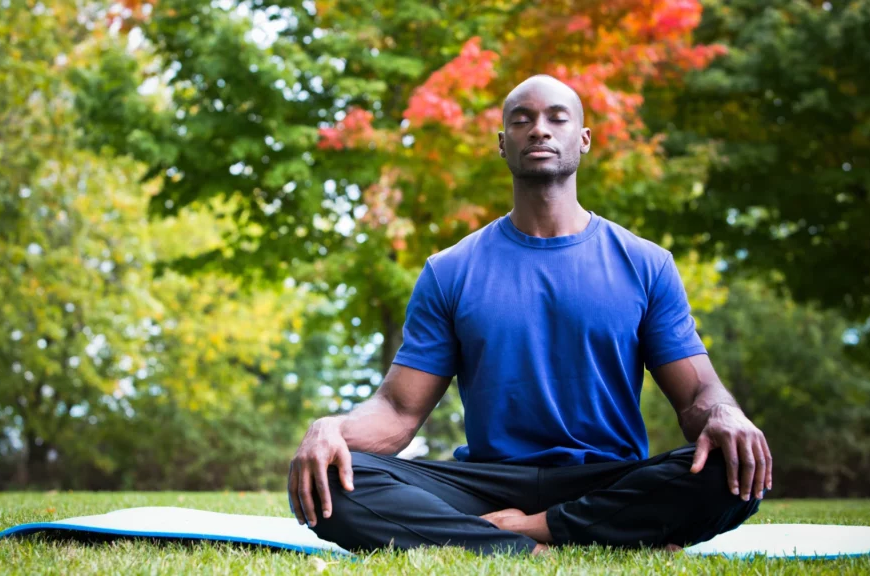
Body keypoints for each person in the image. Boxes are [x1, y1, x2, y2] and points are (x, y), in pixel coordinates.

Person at [287, 75, 770, 556]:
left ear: (583, 139)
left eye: (557, 119)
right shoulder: (450, 270)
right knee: (331, 478)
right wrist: (333, 429)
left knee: (731, 465)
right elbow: (397, 411)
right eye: (522, 120)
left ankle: (530, 530)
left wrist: (725, 414)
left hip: (606, 477)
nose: (539, 130)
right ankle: (558, 539)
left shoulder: (646, 264)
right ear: (503, 144)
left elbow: (696, 397)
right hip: (486, 482)